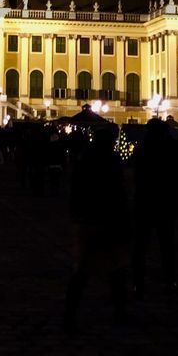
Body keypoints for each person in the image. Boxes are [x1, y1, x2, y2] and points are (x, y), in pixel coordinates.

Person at [63, 127, 130, 331]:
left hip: (87, 220)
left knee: (82, 269)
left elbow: (76, 190)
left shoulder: (85, 161)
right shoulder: (113, 162)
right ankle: (120, 312)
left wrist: (77, 214)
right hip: (108, 219)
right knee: (116, 269)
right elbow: (119, 193)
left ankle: (70, 312)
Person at [130, 118, 178, 295]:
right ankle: (169, 279)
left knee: (140, 246)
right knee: (166, 244)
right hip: (164, 201)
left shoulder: (141, 150)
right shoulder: (170, 150)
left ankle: (138, 282)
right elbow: (176, 176)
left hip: (144, 200)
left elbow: (133, 171)